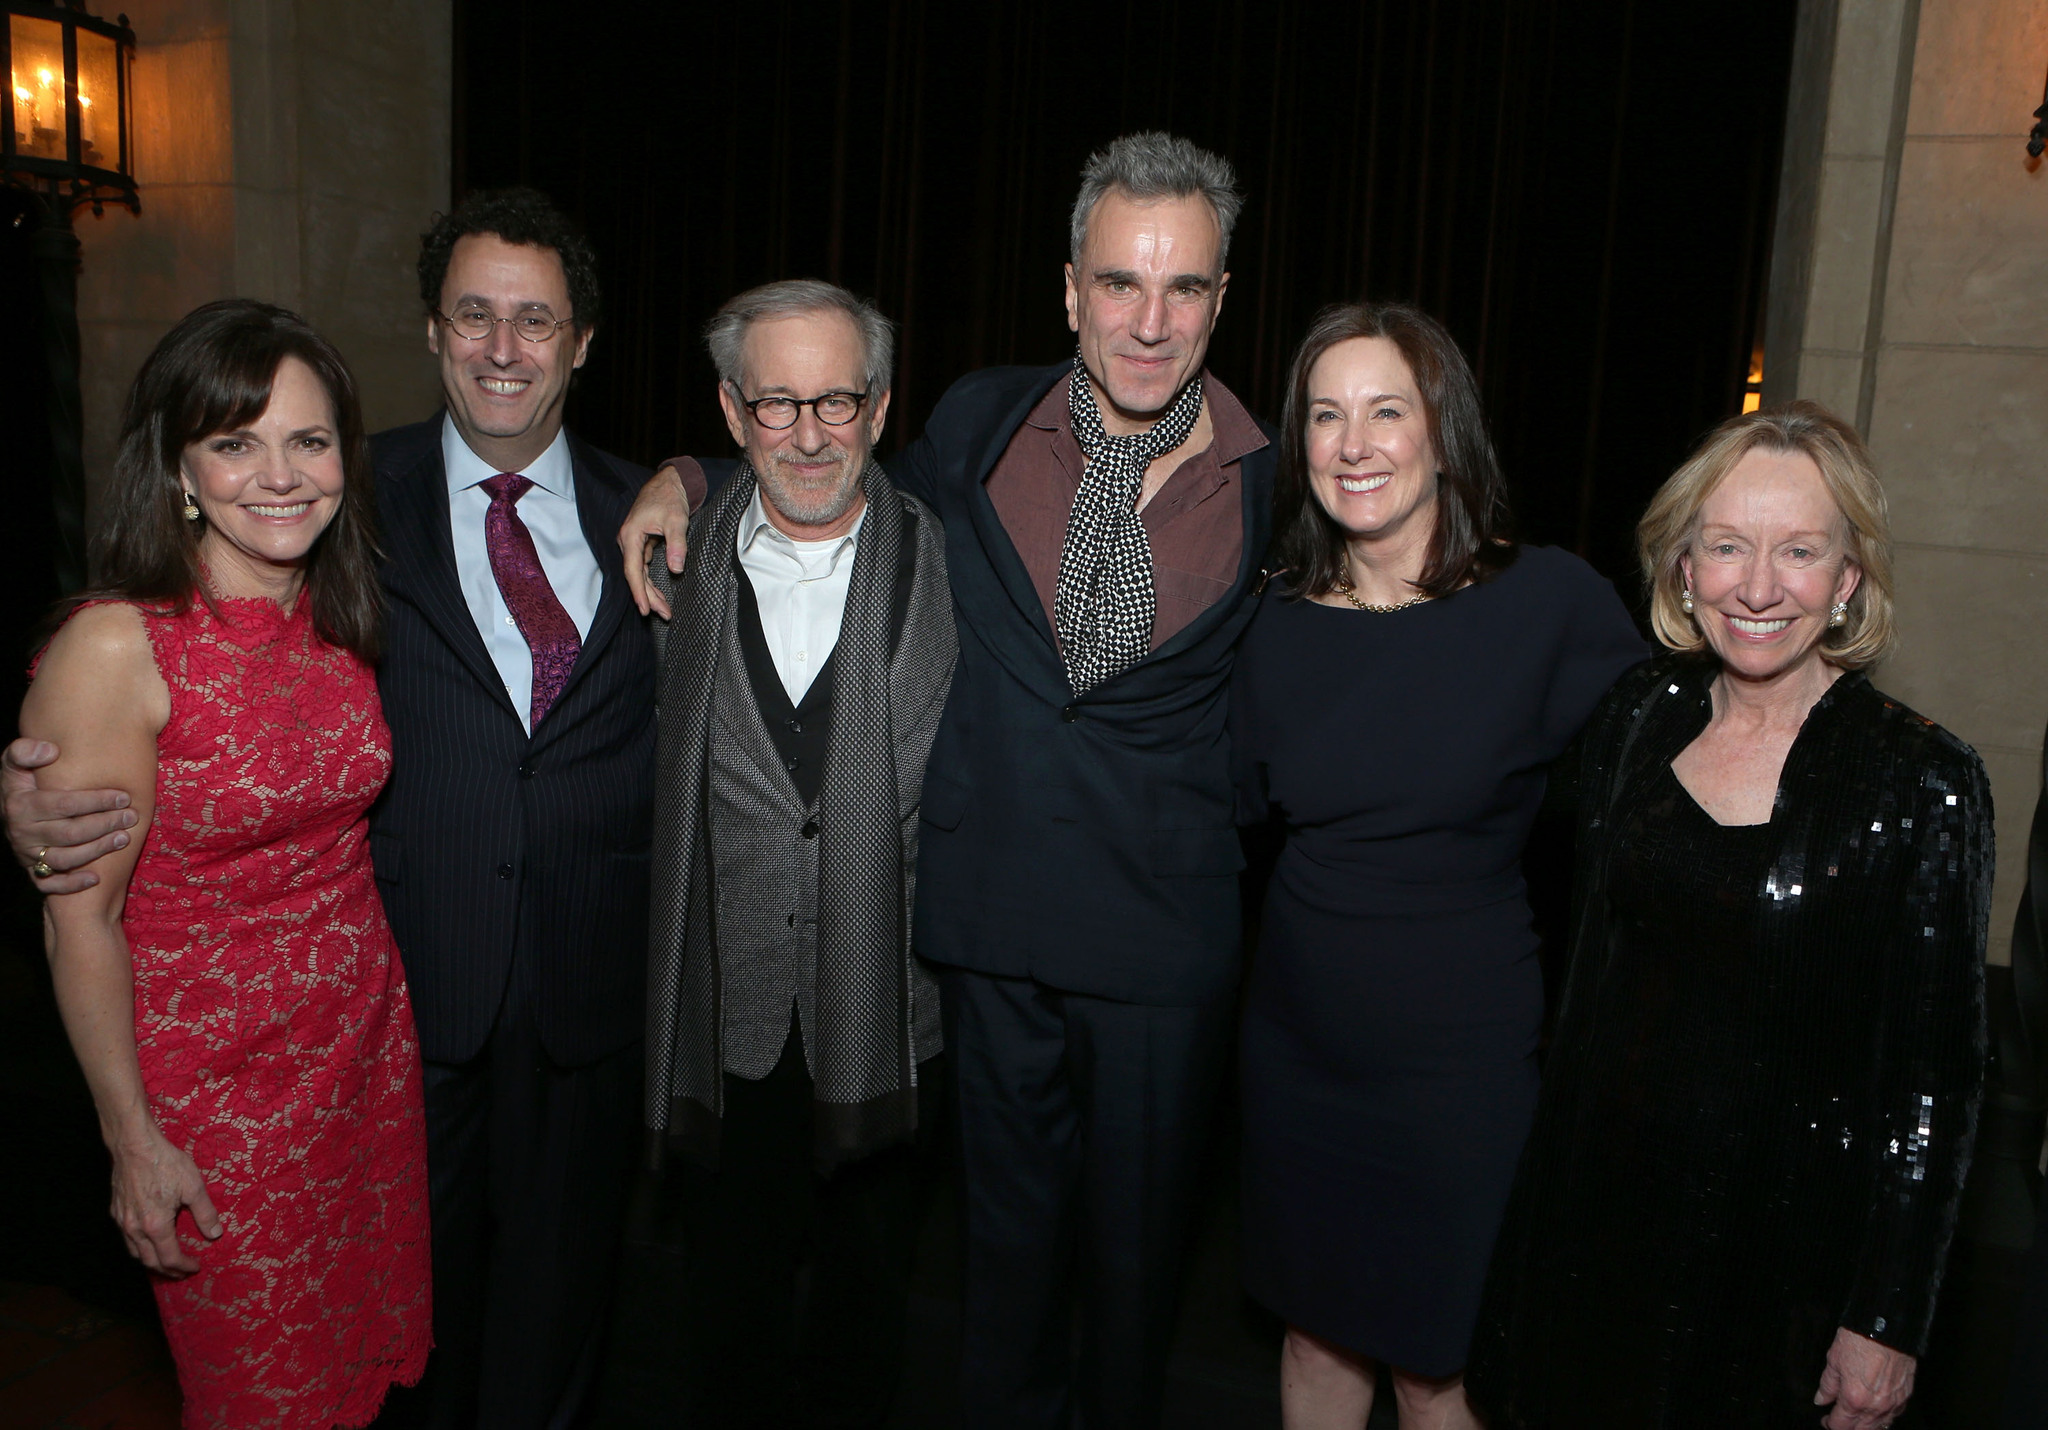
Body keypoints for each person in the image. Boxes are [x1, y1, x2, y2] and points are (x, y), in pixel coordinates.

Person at [621, 132, 1277, 1429]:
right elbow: (826, 468)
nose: (1150, 321)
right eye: (1120, 283)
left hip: (1161, 939)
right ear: (1070, 289)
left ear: (1221, 297)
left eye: (1185, 286)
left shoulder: (1278, 478)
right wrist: (687, 474)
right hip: (989, 937)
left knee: (1138, 1286)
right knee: (998, 1274)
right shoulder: (982, 421)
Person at [8, 187, 656, 1429]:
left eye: (537, 320)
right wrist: (31, 797)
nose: (504, 347)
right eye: (474, 313)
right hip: (318, 1045)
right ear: (430, 331)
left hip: (473, 1020)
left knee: (449, 1350)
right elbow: (110, 789)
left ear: (583, 342)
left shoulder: (647, 508)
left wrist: (685, 473)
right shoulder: (365, 500)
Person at [1466, 402, 1990, 1430]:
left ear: (1846, 579)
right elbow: (1576, 978)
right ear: (1681, 568)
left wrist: (1885, 1314)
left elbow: (1934, 1079)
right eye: (1725, 547)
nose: (1756, 586)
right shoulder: (1632, 714)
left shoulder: (1920, 779)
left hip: (1782, 1274)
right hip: (1593, 1233)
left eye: (1797, 550)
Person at [1226, 302, 1644, 1429]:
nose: (1353, 444)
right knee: (1313, 1334)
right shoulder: (1267, 625)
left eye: (1383, 411)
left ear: (1442, 430)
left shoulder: (1546, 603)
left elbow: (1676, 775)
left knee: (1434, 1360)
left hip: (1459, 1070)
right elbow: (1212, 810)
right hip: (1295, 1051)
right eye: (1325, 415)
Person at [20, 299, 431, 1426]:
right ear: (179, 468)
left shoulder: (339, 615)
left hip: (358, 1060)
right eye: (235, 442)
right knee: (263, 1396)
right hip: (213, 1096)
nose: (280, 475)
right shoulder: (120, 642)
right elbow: (78, 920)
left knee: (356, 1381)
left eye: (307, 439)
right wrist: (131, 1137)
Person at [640, 280, 955, 1427]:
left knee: (866, 1328)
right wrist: (667, 483)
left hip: (891, 1014)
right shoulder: (674, 568)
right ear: (731, 412)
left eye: (837, 399)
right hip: (729, 1022)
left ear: (879, 408)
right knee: (725, 1324)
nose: (810, 433)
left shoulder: (954, 566)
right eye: (778, 403)